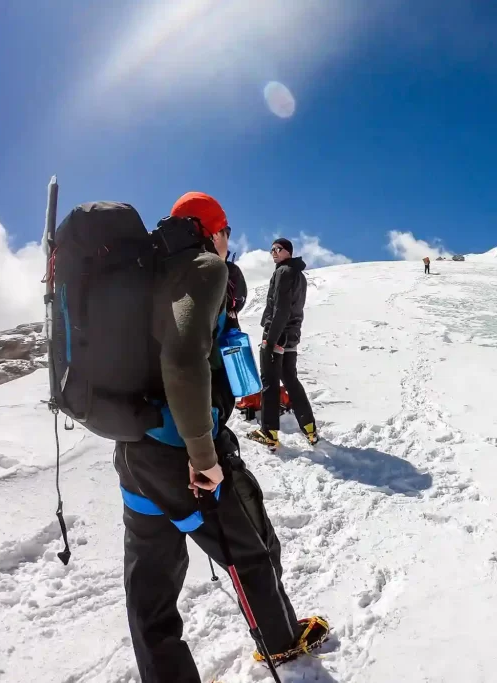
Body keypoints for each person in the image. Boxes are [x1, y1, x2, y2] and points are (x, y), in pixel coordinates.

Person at [113, 193, 327, 682]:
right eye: (227, 230)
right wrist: (202, 454)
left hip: (134, 452)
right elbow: (184, 359)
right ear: (213, 229)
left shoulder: (151, 271)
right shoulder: (205, 267)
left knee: (150, 585)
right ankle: (280, 642)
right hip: (181, 451)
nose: (229, 240)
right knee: (251, 547)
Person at [248, 238, 319, 450]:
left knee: (269, 382)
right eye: (271, 250)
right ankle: (309, 428)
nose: (274, 253)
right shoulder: (299, 275)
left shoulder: (283, 272)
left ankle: (268, 432)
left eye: (278, 249)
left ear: (288, 251)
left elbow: (281, 308)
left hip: (277, 335)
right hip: (291, 336)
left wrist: (270, 341)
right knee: (290, 380)